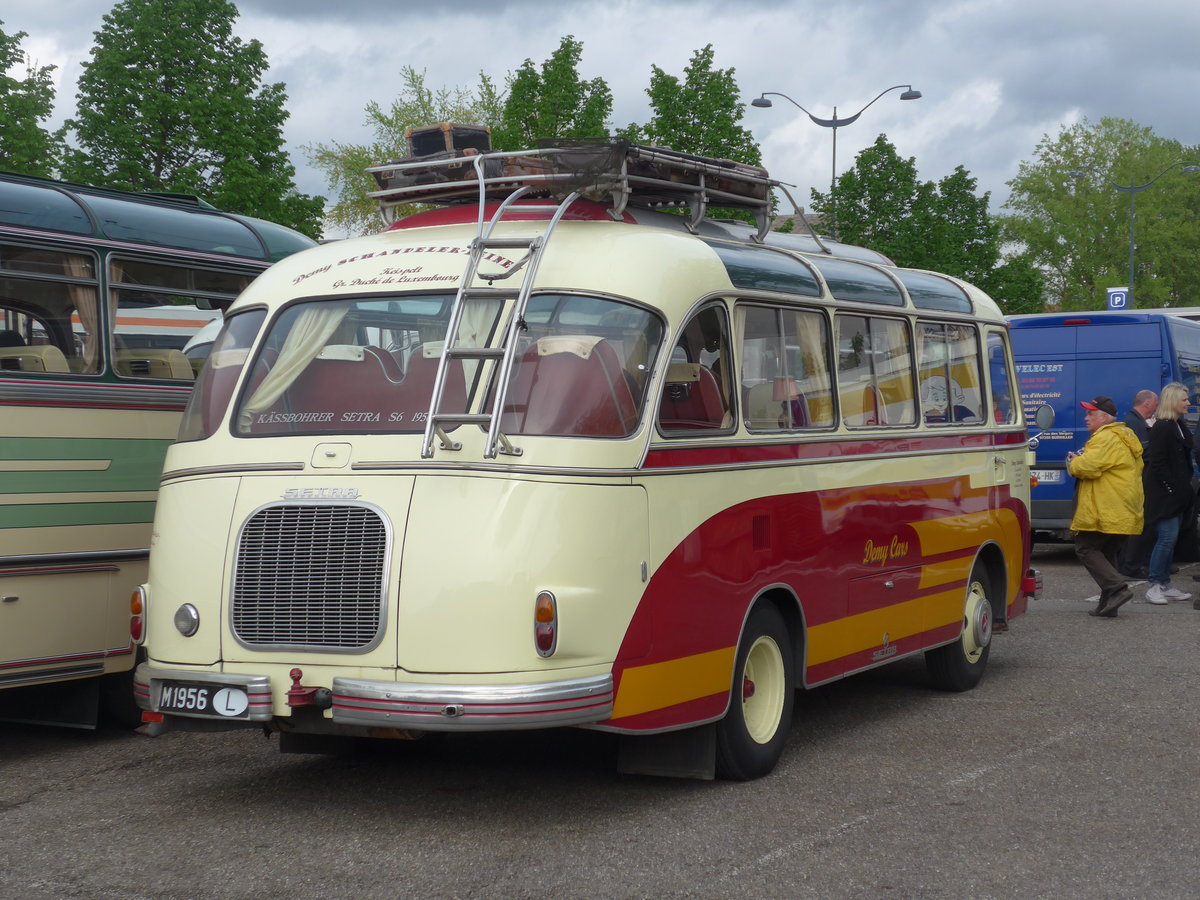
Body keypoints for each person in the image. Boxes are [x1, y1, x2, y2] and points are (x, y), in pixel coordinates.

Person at [1067, 395, 1144, 617]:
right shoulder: (1124, 436)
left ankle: (1117, 589)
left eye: (1090, 413)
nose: (1086, 418)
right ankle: (1109, 604)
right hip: (1124, 506)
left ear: (1104, 417)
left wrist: (1074, 461)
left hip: (1106, 507)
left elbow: (1087, 467)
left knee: (1086, 548)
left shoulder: (1105, 437)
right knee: (1107, 552)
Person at [1142, 382, 1193, 605]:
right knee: (1165, 539)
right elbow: (1157, 462)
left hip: (1178, 494)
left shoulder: (1178, 424)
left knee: (1171, 540)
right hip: (1165, 496)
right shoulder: (1162, 427)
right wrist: (1171, 488)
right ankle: (1154, 584)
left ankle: (1165, 583)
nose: (1188, 403)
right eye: (1184, 399)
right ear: (1173, 401)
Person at [1117, 389, 1158, 578]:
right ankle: (1130, 565)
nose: (1156, 408)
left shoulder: (1136, 421)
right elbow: (1143, 454)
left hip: (1139, 481)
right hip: (1138, 481)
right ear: (1147, 403)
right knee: (1136, 526)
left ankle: (1134, 564)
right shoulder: (1133, 423)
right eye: (1155, 404)